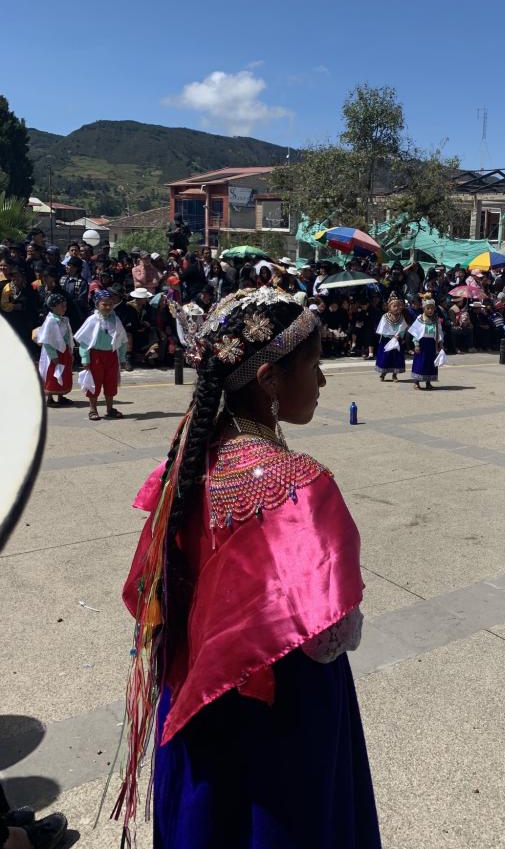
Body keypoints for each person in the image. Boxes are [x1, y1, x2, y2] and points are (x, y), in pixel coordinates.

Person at [116, 286, 381, 848]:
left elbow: (151, 590)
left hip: (194, 695)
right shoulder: (298, 483)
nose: (323, 381)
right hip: (282, 711)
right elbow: (333, 632)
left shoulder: (188, 466)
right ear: (269, 382)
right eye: (314, 365)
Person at [74, 290, 128, 421]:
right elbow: (84, 341)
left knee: (111, 383)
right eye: (104, 304)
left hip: (111, 356)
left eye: (110, 304)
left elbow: (121, 341)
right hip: (96, 356)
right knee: (94, 383)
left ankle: (110, 409)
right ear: (97, 305)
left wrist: (122, 358)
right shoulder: (92, 320)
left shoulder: (116, 320)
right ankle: (93, 409)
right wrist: (85, 358)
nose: (108, 307)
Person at [36, 294, 74, 407]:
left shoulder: (64, 320)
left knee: (63, 373)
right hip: (53, 353)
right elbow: (47, 341)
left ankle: (61, 395)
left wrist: (70, 350)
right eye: (61, 305)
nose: (64, 307)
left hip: (64, 351)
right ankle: (50, 397)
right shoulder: (50, 322)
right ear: (52, 307)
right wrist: (53, 356)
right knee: (52, 374)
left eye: (65, 305)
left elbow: (68, 336)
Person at [408, 295, 443, 390]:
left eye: (432, 308)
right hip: (422, 343)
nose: (430, 310)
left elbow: (439, 332)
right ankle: (416, 382)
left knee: (431, 363)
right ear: (423, 308)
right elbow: (415, 332)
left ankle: (428, 382)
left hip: (432, 344)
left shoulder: (436, 320)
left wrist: (441, 344)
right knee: (420, 362)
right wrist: (416, 344)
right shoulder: (420, 318)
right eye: (428, 308)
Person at [374, 292, 408, 382]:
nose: (397, 308)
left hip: (397, 339)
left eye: (398, 306)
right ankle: (383, 373)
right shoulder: (385, 317)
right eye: (394, 306)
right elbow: (382, 329)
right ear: (389, 307)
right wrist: (390, 335)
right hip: (387, 340)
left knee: (396, 358)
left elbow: (403, 327)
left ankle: (394, 375)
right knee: (386, 357)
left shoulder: (401, 317)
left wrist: (398, 336)